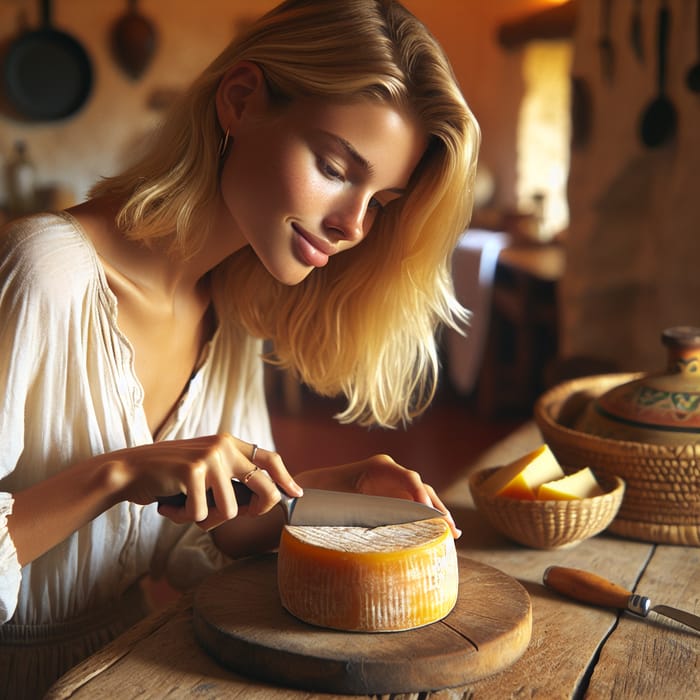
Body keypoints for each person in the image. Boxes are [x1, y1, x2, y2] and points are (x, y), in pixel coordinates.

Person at [0, 0, 479, 695]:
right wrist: (117, 475)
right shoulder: (42, 270)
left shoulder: (230, 306)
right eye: (336, 166)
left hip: (124, 672)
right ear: (241, 99)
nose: (352, 225)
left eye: (381, 201)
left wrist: (324, 494)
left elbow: (202, 536)